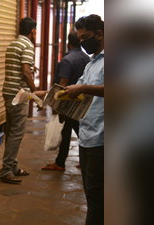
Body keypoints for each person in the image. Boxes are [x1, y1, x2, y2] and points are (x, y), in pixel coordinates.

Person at [35, 14, 104, 225]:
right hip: (87, 136)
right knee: (92, 194)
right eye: (80, 38)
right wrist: (40, 94)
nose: (82, 42)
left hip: (103, 139)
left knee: (97, 197)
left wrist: (82, 87)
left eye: (85, 37)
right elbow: (70, 91)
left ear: (100, 34)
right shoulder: (92, 64)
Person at [41, 30, 90, 171]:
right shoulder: (87, 58)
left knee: (65, 131)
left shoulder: (67, 60)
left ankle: (60, 162)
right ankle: (85, 159)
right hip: (81, 103)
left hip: (67, 103)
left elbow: (62, 84)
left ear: (68, 43)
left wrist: (54, 104)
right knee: (81, 130)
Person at [0, 17, 38, 184]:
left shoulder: (13, 44)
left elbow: (20, 68)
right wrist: (36, 93)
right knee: (17, 132)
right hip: (19, 94)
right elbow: (25, 73)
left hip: (8, 92)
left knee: (11, 130)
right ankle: (7, 169)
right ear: (33, 31)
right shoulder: (27, 45)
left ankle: (12, 165)